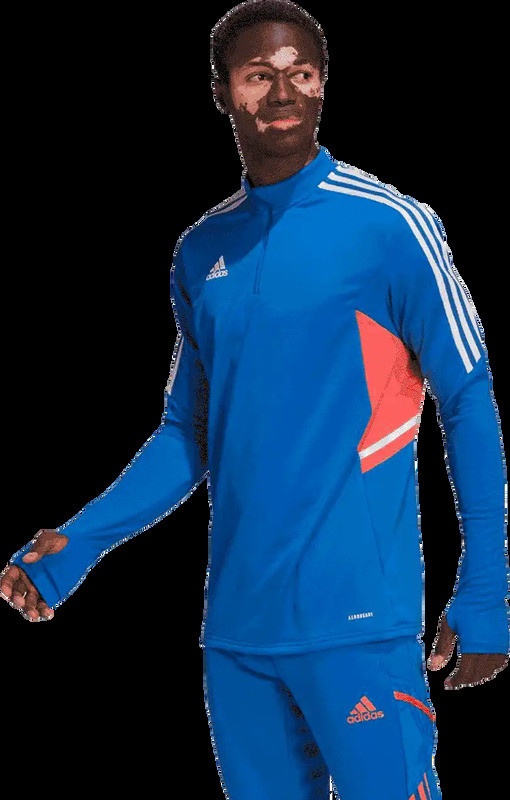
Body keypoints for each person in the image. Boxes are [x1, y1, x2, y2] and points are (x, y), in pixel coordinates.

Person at [2, 1, 508, 798]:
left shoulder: (391, 227)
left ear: (323, 84)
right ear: (222, 94)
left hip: (357, 625)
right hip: (238, 635)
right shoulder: (203, 250)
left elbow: (468, 398)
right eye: (257, 76)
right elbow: (188, 433)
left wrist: (485, 591)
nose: (282, 92)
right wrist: (80, 541)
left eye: (301, 73)